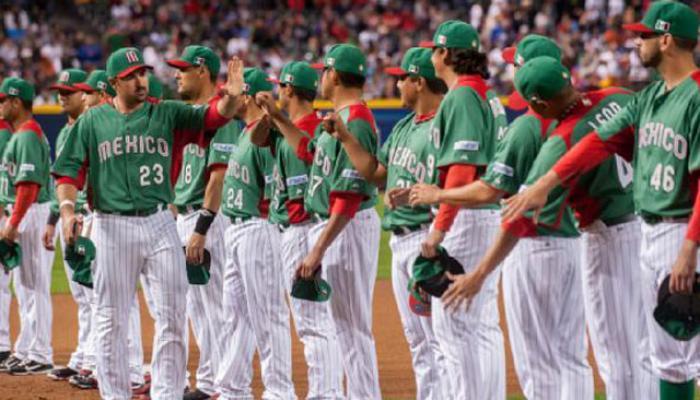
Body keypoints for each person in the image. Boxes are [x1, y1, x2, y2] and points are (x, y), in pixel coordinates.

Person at [503, 2, 700, 399]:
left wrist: (688, 249)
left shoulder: (694, 96)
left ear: (666, 40)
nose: (636, 41)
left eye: (644, 35)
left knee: (673, 354)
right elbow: (597, 142)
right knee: (665, 356)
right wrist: (546, 182)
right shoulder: (646, 98)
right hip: (647, 232)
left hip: (680, 232)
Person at [409, 36, 604, 400]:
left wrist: (439, 197)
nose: (514, 70)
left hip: (532, 245)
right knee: (573, 355)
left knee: (535, 360)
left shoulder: (527, 128)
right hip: (575, 239)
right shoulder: (586, 119)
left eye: (519, 65)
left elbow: (487, 189)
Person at [52, 47, 242, 399]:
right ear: (113, 83)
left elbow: (214, 116)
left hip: (159, 222)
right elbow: (67, 171)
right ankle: (115, 394)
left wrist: (230, 99)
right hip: (111, 225)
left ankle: (167, 394)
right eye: (131, 76)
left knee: (172, 315)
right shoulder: (92, 121)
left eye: (143, 72)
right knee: (110, 319)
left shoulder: (166, 112)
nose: (141, 80)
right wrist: (66, 210)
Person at [322, 47, 449, 399]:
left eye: (401, 79)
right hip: (401, 240)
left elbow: (454, 182)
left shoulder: (444, 124)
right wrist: (346, 137)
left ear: (419, 83)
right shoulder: (407, 125)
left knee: (441, 339)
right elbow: (377, 174)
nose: (396, 86)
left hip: (429, 238)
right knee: (419, 341)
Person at [258, 43, 383, 399]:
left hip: (348, 225)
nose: (321, 79)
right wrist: (280, 119)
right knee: (343, 325)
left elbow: (348, 196)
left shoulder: (356, 119)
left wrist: (317, 250)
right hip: (338, 225)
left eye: (324, 71)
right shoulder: (342, 118)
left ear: (335, 75)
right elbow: (307, 151)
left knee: (353, 326)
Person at [415, 20, 508, 399]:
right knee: (481, 322)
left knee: (453, 322)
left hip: (469, 215)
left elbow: (461, 169)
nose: (431, 56)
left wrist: (439, 228)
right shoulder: (482, 93)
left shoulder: (463, 95)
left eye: (434, 49)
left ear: (446, 54)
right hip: (484, 213)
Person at [252, 61, 344, 399]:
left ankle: (327, 394)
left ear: (288, 89)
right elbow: (256, 138)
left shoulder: (311, 128)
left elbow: (304, 174)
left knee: (313, 322)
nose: (276, 90)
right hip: (292, 230)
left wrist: (277, 117)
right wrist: (272, 116)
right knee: (310, 322)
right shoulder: (285, 124)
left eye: (280, 86)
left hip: (303, 228)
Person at [214, 67, 296, 400]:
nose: (226, 98)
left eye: (232, 94)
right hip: (235, 230)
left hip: (257, 229)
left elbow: (276, 188)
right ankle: (232, 389)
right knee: (234, 314)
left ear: (247, 96)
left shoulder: (265, 136)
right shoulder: (244, 131)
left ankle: (280, 392)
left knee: (268, 315)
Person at [167, 45, 239, 400]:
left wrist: (201, 228)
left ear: (203, 72)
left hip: (208, 219)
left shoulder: (220, 118)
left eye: (183, 69)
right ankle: (210, 380)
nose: (176, 74)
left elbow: (218, 179)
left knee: (217, 305)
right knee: (198, 306)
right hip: (186, 215)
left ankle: (225, 386)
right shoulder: (189, 116)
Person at [0, 77, 54, 375]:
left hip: (32, 212)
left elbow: (29, 186)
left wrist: (13, 222)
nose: (1, 105)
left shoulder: (28, 136)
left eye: (4, 100)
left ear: (17, 102)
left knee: (36, 286)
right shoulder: (22, 134)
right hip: (26, 212)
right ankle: (26, 348)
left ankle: (41, 351)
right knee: (25, 287)